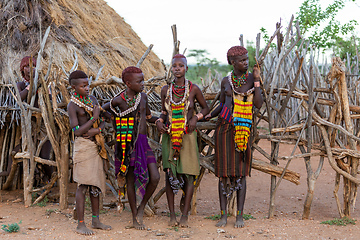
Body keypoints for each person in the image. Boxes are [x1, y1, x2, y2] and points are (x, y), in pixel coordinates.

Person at [205, 46, 263, 228]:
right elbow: (223, 104)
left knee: (241, 173)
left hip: (243, 130)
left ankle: (239, 216)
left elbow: (259, 104)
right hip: (224, 128)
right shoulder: (226, 81)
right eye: (242, 60)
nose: (246, 63)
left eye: (246, 59)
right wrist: (206, 116)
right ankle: (223, 215)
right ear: (232, 62)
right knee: (223, 174)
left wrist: (258, 81)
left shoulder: (253, 79)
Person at [102, 66, 160, 230]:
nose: (143, 83)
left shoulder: (143, 98)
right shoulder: (118, 100)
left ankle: (141, 208)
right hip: (127, 145)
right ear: (128, 83)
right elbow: (101, 110)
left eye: (143, 80)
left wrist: (159, 121)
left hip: (142, 142)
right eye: (139, 81)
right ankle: (135, 218)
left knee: (155, 177)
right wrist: (116, 123)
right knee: (130, 180)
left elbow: (148, 117)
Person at [156, 54, 209, 227]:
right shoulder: (166, 90)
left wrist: (196, 118)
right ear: (171, 68)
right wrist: (159, 121)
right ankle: (172, 215)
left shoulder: (193, 89)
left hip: (187, 135)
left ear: (186, 68)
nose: (177, 68)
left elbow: (206, 108)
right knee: (170, 173)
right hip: (170, 136)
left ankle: (184, 215)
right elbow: (164, 113)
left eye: (181, 66)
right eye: (174, 66)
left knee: (189, 174)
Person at [67, 70, 111, 235]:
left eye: (88, 85)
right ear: (73, 87)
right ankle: (80, 224)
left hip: (95, 146)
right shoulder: (72, 106)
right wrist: (94, 119)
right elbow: (77, 131)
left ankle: (96, 220)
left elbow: (103, 122)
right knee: (83, 186)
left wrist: (96, 130)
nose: (87, 88)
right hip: (83, 147)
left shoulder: (92, 100)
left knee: (95, 186)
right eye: (83, 86)